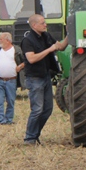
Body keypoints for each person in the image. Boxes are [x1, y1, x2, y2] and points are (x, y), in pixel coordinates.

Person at [20, 14, 66, 145]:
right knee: (37, 110)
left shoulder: (46, 36)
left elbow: (61, 46)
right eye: (42, 23)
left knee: (47, 109)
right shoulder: (27, 40)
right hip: (34, 79)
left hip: (46, 76)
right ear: (34, 25)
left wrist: (71, 33)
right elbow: (31, 59)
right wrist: (49, 50)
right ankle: (29, 138)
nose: (45, 25)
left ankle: (34, 135)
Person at [0, 32, 25, 124]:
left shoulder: (16, 50)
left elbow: (25, 61)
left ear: (7, 40)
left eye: (1, 39)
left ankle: (9, 119)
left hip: (11, 80)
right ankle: (1, 119)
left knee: (11, 100)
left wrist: (20, 66)